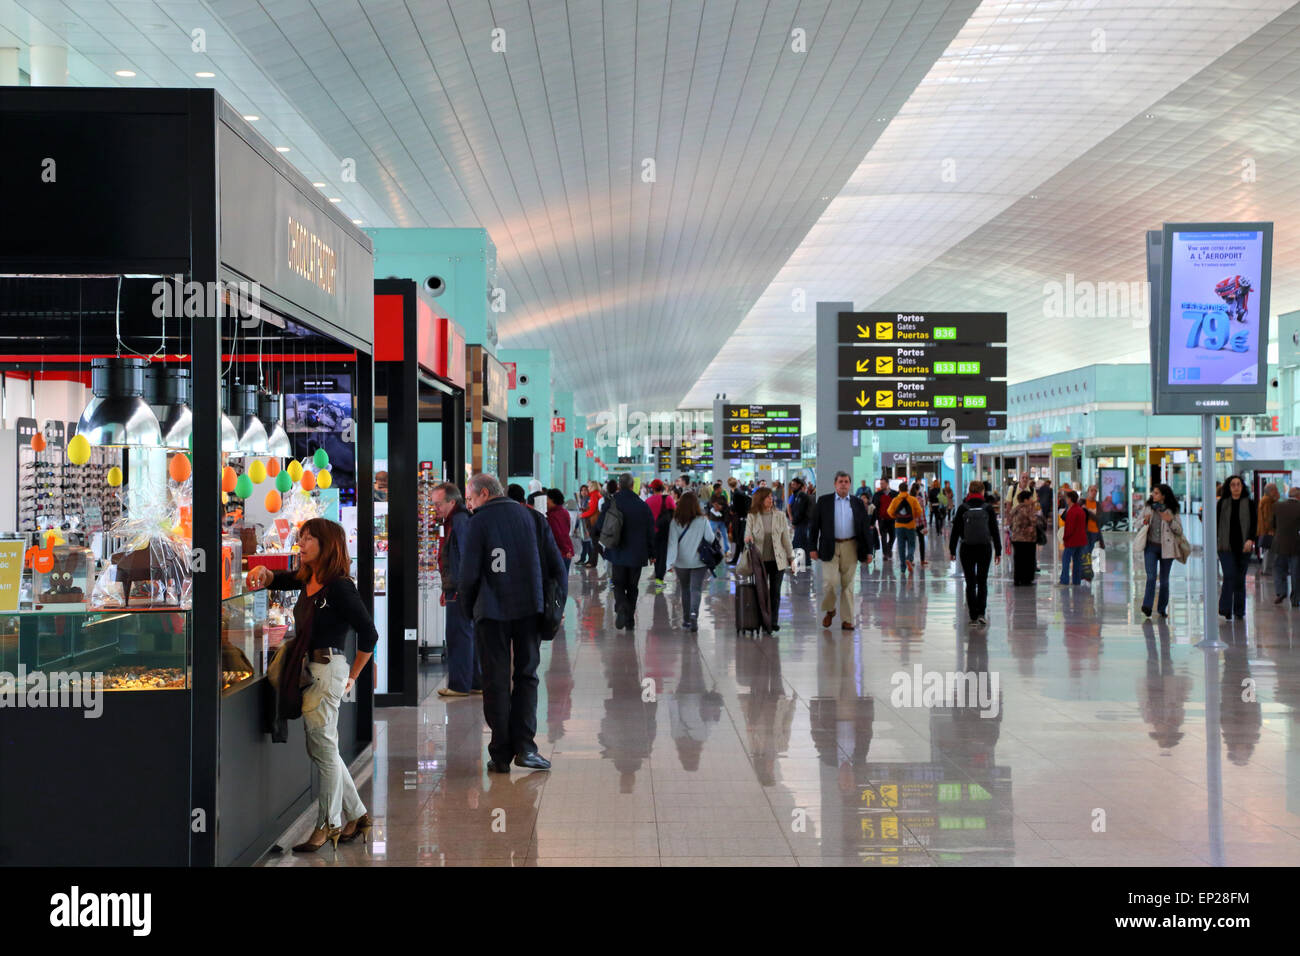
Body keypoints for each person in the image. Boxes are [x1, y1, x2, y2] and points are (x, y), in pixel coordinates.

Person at [246, 518, 378, 850]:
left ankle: (327, 825)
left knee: (323, 750)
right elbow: (283, 579)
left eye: (308, 539)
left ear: (327, 545)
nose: (301, 544)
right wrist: (265, 572)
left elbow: (370, 633)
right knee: (324, 749)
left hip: (327, 670)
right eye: (301, 538)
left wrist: (353, 676)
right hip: (313, 672)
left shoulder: (340, 587)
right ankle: (357, 815)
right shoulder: (310, 578)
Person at [459, 472, 566, 773]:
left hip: (491, 613)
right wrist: (556, 608)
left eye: (469, 499)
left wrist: (467, 610)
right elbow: (558, 569)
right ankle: (526, 747)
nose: (468, 505)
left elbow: (469, 575)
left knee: (495, 680)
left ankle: (501, 752)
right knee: (527, 676)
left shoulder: (478, 522)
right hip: (529, 609)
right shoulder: (532, 518)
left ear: (483, 494)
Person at [431, 482, 482, 699]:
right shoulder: (456, 520)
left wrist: (460, 587)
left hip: (460, 590)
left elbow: (464, 557)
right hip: (457, 587)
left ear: (452, 502)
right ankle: (474, 682)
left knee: (457, 635)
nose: (435, 508)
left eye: (438, 504)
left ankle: (459, 685)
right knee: (466, 635)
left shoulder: (459, 521)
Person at [807, 470, 872, 630]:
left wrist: (869, 551)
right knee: (830, 583)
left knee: (848, 584)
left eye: (846, 482)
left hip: (851, 546)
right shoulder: (824, 501)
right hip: (829, 546)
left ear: (850, 485)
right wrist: (812, 548)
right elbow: (814, 526)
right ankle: (830, 610)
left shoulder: (857, 503)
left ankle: (847, 619)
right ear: (835, 484)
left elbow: (865, 528)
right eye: (840, 481)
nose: (843, 484)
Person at [599, 473, 655, 629]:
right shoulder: (642, 506)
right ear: (632, 486)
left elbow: (599, 525)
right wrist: (652, 553)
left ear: (619, 486)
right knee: (632, 586)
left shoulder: (611, 503)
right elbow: (651, 531)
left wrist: (600, 546)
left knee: (617, 583)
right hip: (637, 553)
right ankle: (630, 620)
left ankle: (622, 606)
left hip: (616, 551)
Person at [949, 481, 1001, 628]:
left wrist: (952, 550)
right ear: (982, 491)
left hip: (967, 548)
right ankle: (981, 614)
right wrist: (998, 550)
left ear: (969, 491)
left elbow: (956, 531)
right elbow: (994, 530)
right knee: (982, 581)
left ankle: (972, 616)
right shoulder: (988, 508)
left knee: (970, 582)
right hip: (984, 548)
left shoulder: (962, 508)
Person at [745, 487, 795, 633]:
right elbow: (747, 533)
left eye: (771, 497)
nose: (770, 499)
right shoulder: (752, 516)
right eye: (767, 497)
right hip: (759, 561)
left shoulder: (780, 516)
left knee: (775, 592)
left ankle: (772, 622)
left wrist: (791, 558)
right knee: (761, 592)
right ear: (760, 499)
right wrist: (748, 538)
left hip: (777, 560)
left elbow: (786, 539)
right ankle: (761, 620)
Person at [666, 492, 715, 632]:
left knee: (685, 589)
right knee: (696, 589)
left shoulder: (675, 522)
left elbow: (672, 544)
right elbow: (710, 538)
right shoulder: (703, 520)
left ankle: (686, 620)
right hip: (699, 562)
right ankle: (694, 615)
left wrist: (669, 563)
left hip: (681, 563)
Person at [1217, 475, 1257, 620]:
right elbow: (1215, 523)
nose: (1235, 487)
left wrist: (1250, 539)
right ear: (1228, 487)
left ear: (1242, 486)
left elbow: (1254, 524)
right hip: (1225, 547)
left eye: (1238, 484)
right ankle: (1225, 608)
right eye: (1233, 484)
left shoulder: (1250, 503)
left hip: (1243, 547)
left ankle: (1239, 611)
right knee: (1229, 575)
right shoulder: (1222, 504)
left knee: (1240, 579)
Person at [1139, 484, 1182, 618]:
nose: (1153, 495)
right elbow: (1137, 523)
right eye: (1153, 492)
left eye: (1156, 493)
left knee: (1164, 580)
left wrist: (1170, 521)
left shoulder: (1172, 510)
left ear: (1163, 495)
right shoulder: (1148, 507)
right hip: (1151, 547)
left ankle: (1162, 608)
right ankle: (1147, 606)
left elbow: (1179, 530)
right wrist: (1143, 521)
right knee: (1151, 577)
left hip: (1167, 548)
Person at [1271, 486, 1300, 606]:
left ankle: (1281, 591)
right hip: (1296, 545)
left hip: (1279, 544)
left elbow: (1272, 524)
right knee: (1295, 572)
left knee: (1279, 569)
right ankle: (1295, 599)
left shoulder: (1278, 506)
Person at [888, 479, 924, 574]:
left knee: (901, 546)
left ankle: (903, 568)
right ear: (907, 489)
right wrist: (913, 517)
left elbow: (890, 512)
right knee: (912, 545)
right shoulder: (913, 499)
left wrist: (895, 516)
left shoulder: (895, 500)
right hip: (910, 526)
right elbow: (919, 511)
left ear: (899, 490)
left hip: (899, 526)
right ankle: (909, 558)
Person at [646, 479, 676, 585]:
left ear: (653, 489)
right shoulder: (668, 499)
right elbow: (675, 512)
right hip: (664, 531)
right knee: (662, 555)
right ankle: (659, 579)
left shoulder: (648, 500)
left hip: (651, 532)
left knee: (655, 555)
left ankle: (657, 573)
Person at [1009, 490, 1038, 585]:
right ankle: (1026, 580)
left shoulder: (1015, 509)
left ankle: (1017, 580)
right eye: (1030, 498)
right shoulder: (1027, 509)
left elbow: (1011, 523)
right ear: (1025, 500)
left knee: (1018, 560)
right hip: (1027, 539)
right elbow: (1034, 522)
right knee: (1028, 560)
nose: (1032, 500)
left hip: (1015, 538)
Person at [1059, 490, 1087, 585]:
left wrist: (1065, 538)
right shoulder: (1080, 510)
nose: (1066, 500)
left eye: (1067, 498)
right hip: (1081, 540)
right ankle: (1076, 581)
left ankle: (1064, 580)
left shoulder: (1072, 511)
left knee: (1066, 560)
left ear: (1070, 499)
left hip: (1072, 540)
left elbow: (1069, 528)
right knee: (1077, 562)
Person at [546, 488, 575, 572]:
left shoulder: (551, 516)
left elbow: (558, 535)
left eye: (547, 499)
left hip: (560, 552)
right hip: (567, 549)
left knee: (558, 582)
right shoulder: (565, 512)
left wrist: (566, 550)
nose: (546, 502)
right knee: (564, 579)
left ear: (553, 500)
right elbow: (567, 530)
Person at [728, 478, 752, 565]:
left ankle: (746, 560)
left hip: (740, 520)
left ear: (729, 485)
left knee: (740, 541)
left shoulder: (736, 494)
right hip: (743, 518)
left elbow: (735, 509)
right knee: (739, 540)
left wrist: (731, 509)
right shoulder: (741, 492)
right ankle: (736, 559)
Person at [786, 477, 812, 555]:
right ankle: (803, 562)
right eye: (791, 484)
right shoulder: (796, 495)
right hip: (799, 523)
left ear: (799, 485)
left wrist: (794, 522)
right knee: (799, 543)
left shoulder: (802, 496)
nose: (792, 486)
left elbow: (800, 511)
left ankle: (803, 562)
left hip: (802, 523)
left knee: (799, 543)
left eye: (794, 484)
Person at [872, 479, 896, 561]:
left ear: (887, 484)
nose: (881, 485)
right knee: (883, 537)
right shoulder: (877, 495)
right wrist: (873, 520)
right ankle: (885, 554)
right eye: (880, 483)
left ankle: (889, 548)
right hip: (882, 519)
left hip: (892, 519)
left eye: (883, 483)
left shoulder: (895, 494)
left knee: (893, 536)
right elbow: (874, 508)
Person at [707, 491, 731, 568]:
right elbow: (709, 506)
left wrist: (721, 507)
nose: (720, 491)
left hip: (722, 519)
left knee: (725, 535)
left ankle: (726, 550)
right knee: (711, 535)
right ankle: (710, 550)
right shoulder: (712, 497)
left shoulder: (723, 497)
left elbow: (726, 506)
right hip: (713, 520)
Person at [1259, 482, 1279, 572]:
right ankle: (1267, 569)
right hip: (1268, 531)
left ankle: (1266, 569)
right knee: (1269, 550)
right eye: (1276, 489)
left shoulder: (1265, 499)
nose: (1277, 491)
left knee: (1268, 550)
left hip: (1265, 530)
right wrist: (1270, 529)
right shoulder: (1267, 501)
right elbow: (1268, 516)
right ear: (1271, 491)